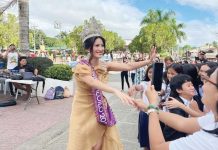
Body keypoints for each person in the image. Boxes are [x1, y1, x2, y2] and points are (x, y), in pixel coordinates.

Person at [67, 34, 156, 150]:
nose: (100, 48)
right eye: (97, 45)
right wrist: (115, 90)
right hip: (83, 109)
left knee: (99, 141)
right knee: (83, 141)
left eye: (102, 45)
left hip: (99, 108)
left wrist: (148, 60)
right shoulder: (81, 66)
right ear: (88, 47)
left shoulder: (104, 65)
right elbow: (92, 82)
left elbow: (128, 66)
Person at [133, 67, 218, 150]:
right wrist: (145, 107)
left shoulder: (209, 141)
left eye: (208, 82)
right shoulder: (214, 118)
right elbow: (182, 122)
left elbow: (158, 147)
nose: (202, 86)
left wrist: (152, 105)